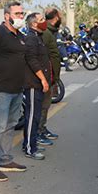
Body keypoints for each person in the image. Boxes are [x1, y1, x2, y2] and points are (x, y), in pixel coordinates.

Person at [0, 1, 27, 182]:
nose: (20, 17)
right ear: (6, 16)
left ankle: (5, 160)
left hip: (17, 88)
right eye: (17, 14)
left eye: (22, 14)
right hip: (0, 89)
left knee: (11, 124)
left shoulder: (19, 35)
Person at [22, 12, 51, 160]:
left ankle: (30, 144)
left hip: (38, 84)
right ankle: (29, 148)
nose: (44, 22)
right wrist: (43, 80)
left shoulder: (37, 37)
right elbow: (32, 60)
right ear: (34, 24)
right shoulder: (31, 39)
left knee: (35, 115)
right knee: (32, 116)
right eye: (41, 20)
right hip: (33, 84)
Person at [38, 8, 62, 145]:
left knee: (46, 105)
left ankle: (42, 128)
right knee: (43, 105)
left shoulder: (51, 31)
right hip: (45, 75)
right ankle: (38, 132)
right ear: (57, 17)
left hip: (50, 74)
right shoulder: (46, 33)